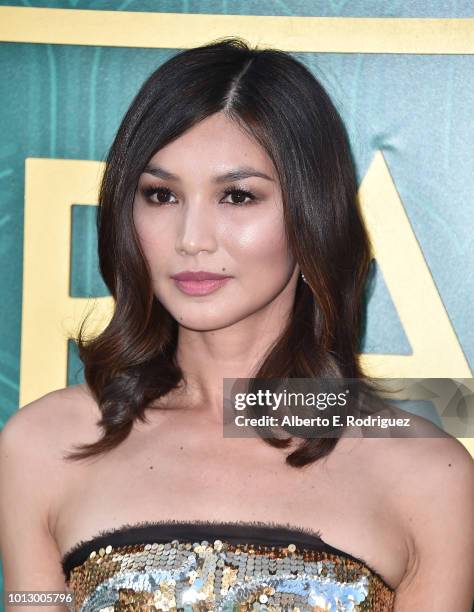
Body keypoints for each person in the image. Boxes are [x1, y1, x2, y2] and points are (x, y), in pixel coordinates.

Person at [1, 37, 473, 612]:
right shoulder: (42, 444)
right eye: (161, 194)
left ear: (312, 215)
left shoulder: (429, 473)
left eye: (237, 196)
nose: (192, 239)